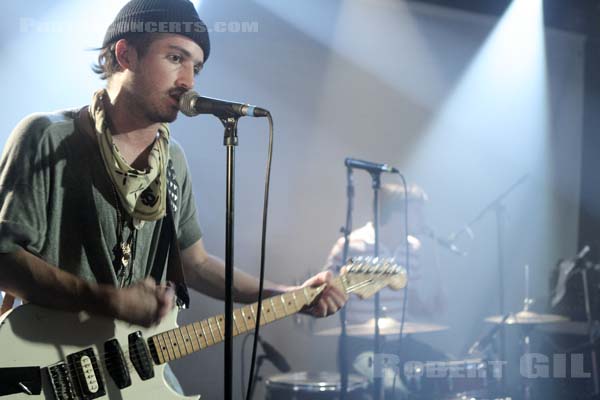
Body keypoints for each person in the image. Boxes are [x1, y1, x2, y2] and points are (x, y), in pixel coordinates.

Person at [0, 0, 346, 334]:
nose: (188, 81)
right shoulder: (46, 136)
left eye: (195, 67)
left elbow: (195, 264)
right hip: (48, 366)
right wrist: (108, 300)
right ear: (125, 54)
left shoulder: (172, 159)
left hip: (124, 365)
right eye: (175, 57)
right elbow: (4, 258)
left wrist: (283, 294)